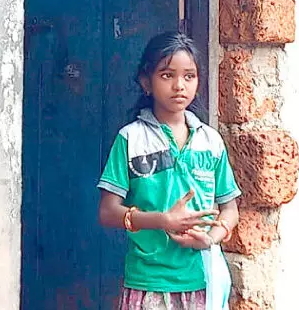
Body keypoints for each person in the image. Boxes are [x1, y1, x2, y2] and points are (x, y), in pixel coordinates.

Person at [97, 32, 241, 310]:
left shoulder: (210, 142)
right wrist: (162, 220)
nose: (179, 85)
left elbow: (230, 209)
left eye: (189, 76)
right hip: (147, 282)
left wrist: (210, 239)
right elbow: (107, 211)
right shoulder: (131, 139)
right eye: (167, 75)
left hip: (201, 280)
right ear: (145, 81)